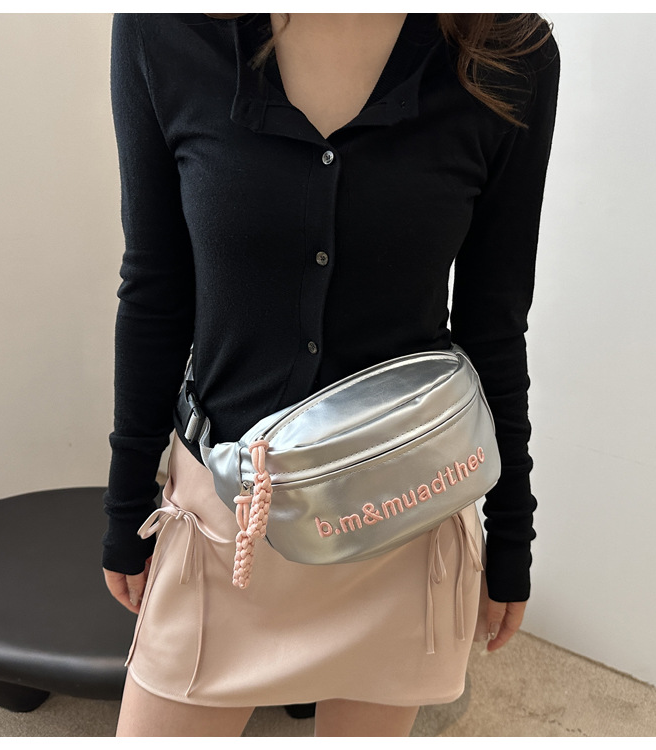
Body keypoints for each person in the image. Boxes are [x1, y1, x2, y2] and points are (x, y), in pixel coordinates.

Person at [102, 12, 560, 737]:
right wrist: (126, 505)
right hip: (222, 525)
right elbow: (155, 289)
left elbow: (494, 326)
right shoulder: (165, 30)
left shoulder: (508, 52)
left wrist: (512, 535)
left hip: (403, 522)